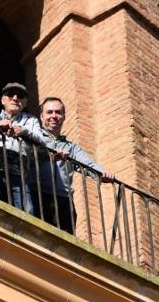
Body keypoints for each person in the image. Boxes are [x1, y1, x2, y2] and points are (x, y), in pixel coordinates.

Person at [30, 97, 115, 234]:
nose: (54, 116)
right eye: (49, 112)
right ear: (41, 116)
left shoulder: (71, 147)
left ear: (64, 117)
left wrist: (102, 173)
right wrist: (49, 155)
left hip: (63, 198)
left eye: (58, 112)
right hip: (37, 192)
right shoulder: (35, 137)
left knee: (65, 244)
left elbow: (88, 164)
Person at [0, 82, 55, 208]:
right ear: (3, 100)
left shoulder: (30, 120)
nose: (15, 98)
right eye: (10, 95)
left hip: (19, 171)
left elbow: (41, 140)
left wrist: (23, 130)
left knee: (27, 210)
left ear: (25, 103)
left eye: (20, 96)